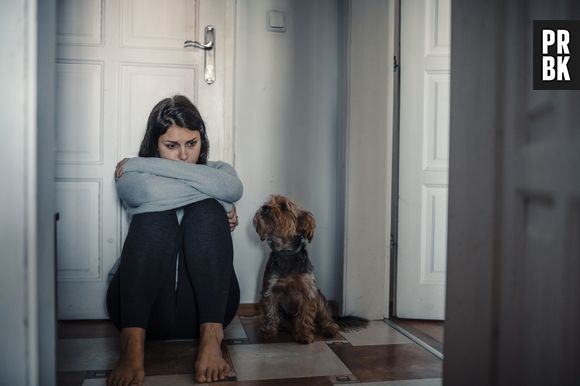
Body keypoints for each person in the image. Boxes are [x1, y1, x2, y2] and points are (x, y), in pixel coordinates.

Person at [106, 95, 243, 386]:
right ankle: (131, 345)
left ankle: (210, 339)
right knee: (157, 216)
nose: (183, 156)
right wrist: (221, 201)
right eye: (171, 146)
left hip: (206, 311)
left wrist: (143, 165)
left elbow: (233, 187)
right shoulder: (132, 176)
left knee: (206, 211)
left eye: (191, 144)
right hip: (142, 311)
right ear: (154, 144)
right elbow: (147, 196)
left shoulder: (217, 170)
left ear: (201, 141)